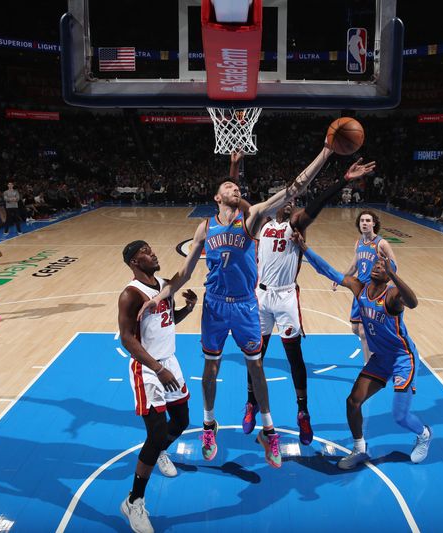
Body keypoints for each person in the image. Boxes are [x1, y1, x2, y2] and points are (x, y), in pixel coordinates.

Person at [139, 139, 336, 469]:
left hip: (246, 305)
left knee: (255, 367)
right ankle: (208, 424)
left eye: (235, 184)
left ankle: (269, 430)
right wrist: (161, 295)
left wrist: (326, 153)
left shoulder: (254, 217)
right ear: (217, 197)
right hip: (215, 306)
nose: (232, 187)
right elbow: (185, 272)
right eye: (226, 186)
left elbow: (292, 190)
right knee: (210, 368)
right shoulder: (204, 227)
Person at [234, 152, 377, 446]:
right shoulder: (260, 222)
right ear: (273, 205)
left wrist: (343, 181)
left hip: (286, 298)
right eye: (284, 200)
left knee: (294, 357)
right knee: (255, 356)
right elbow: (234, 198)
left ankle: (303, 413)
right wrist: (235, 166)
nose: (289, 204)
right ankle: (251, 404)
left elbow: (317, 204)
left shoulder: (295, 226)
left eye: (293, 202)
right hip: (261, 297)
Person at [292, 230, 432, 468]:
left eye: (382, 265)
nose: (377, 266)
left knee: (399, 416)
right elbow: (328, 271)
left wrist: (394, 274)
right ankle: (359, 449)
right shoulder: (359, 287)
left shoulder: (392, 295)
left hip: (402, 358)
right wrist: (304, 248)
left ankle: (424, 434)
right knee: (353, 401)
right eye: (376, 264)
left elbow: (414, 302)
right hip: (380, 359)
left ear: (388, 275)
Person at [118, 240, 197, 533]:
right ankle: (133, 502)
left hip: (169, 362)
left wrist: (188, 308)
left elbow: (167, 319)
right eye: (145, 253)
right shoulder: (130, 294)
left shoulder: (163, 285)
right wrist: (158, 368)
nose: (153, 253)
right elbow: (127, 339)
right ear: (134, 262)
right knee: (157, 431)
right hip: (147, 368)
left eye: (152, 249)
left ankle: (159, 451)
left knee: (182, 420)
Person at [337, 211, 396, 364]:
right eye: (362, 220)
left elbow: (394, 266)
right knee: (356, 329)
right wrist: (339, 278)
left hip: (373, 291)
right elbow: (353, 266)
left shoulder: (381, 243)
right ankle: (378, 345)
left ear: (374, 223)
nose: (364, 223)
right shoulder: (359, 243)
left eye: (368, 220)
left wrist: (389, 286)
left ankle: (368, 366)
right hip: (359, 290)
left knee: (363, 332)